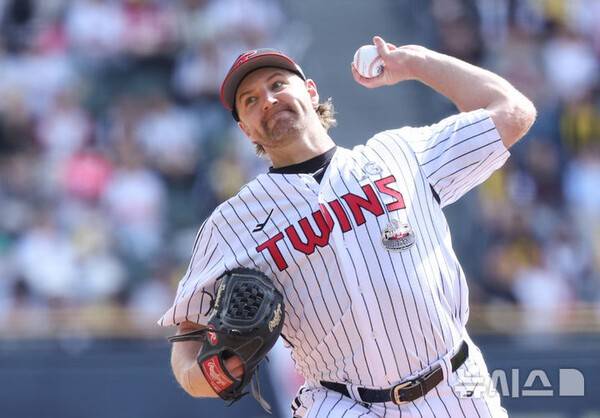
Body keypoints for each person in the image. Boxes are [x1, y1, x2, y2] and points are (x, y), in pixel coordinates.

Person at [159, 36, 536, 417]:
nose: (268, 100)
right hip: (340, 402)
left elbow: (513, 111)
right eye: (251, 100)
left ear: (310, 92)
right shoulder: (232, 223)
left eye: (277, 84)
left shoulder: (401, 154)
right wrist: (205, 376)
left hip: (454, 384)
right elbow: (187, 338)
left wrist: (419, 63)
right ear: (246, 130)